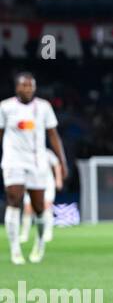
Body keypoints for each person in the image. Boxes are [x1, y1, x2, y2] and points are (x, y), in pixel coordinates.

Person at [2, 72, 67, 265]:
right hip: (13, 160)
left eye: (31, 86)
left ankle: (39, 243)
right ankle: (15, 249)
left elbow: (54, 135)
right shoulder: (5, 108)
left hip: (37, 162)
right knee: (14, 199)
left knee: (39, 207)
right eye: (24, 86)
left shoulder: (44, 108)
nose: (28, 89)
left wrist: (62, 162)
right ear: (17, 88)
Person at [19, 153, 62, 247]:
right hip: (31, 182)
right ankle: (24, 234)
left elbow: (57, 164)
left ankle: (48, 232)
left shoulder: (47, 153)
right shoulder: (27, 153)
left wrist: (58, 179)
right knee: (27, 208)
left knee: (46, 206)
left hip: (47, 183)